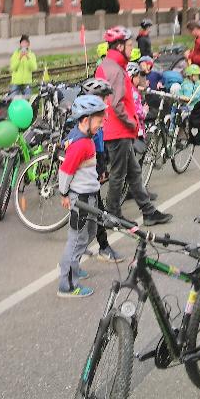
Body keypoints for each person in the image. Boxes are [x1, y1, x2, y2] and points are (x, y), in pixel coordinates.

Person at [96, 26, 170, 226]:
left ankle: (148, 212)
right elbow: (117, 103)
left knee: (133, 172)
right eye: (129, 45)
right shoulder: (117, 70)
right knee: (118, 175)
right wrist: (132, 123)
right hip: (119, 130)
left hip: (115, 129)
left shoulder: (108, 64)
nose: (132, 49)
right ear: (119, 46)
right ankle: (113, 214)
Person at [57, 94, 108, 298]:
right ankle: (67, 284)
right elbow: (65, 171)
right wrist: (64, 194)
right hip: (81, 199)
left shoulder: (86, 138)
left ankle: (73, 265)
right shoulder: (80, 144)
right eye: (99, 121)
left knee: (89, 232)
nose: (102, 125)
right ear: (85, 120)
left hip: (91, 194)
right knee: (77, 239)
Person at [77, 78, 126, 264]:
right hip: (85, 177)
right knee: (93, 212)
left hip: (92, 171)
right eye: (104, 98)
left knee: (95, 211)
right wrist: (98, 168)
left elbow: (100, 146)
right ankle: (100, 248)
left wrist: (102, 165)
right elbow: (90, 149)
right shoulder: (86, 122)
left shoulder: (96, 118)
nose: (107, 102)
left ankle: (83, 249)